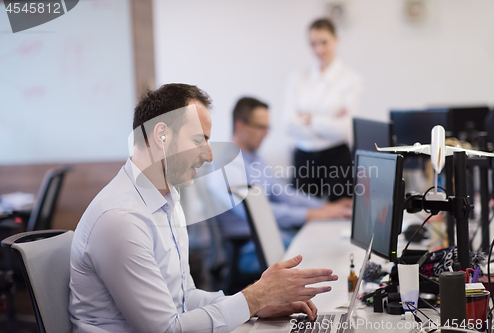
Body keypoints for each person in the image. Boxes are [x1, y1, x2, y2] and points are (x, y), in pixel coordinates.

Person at [69, 84, 338, 332]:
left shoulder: (168, 200)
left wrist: (255, 305)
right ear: (162, 135)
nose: (209, 154)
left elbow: (185, 297)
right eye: (199, 140)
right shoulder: (120, 218)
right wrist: (255, 297)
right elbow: (167, 329)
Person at [208, 97, 352, 273]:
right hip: (249, 247)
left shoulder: (252, 157)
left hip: (271, 234)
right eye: (261, 127)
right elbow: (258, 213)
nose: (266, 133)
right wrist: (313, 214)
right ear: (240, 126)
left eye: (268, 127)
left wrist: (325, 207)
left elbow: (283, 192)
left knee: (324, 243)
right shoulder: (227, 164)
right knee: (318, 252)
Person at [285, 18, 363, 202]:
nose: (319, 49)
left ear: (336, 39)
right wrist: (329, 123)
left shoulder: (351, 79)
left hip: (338, 157)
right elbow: (289, 124)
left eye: (324, 42)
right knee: (303, 213)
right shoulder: (298, 78)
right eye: (313, 44)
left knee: (342, 211)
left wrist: (310, 119)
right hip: (304, 157)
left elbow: (346, 129)